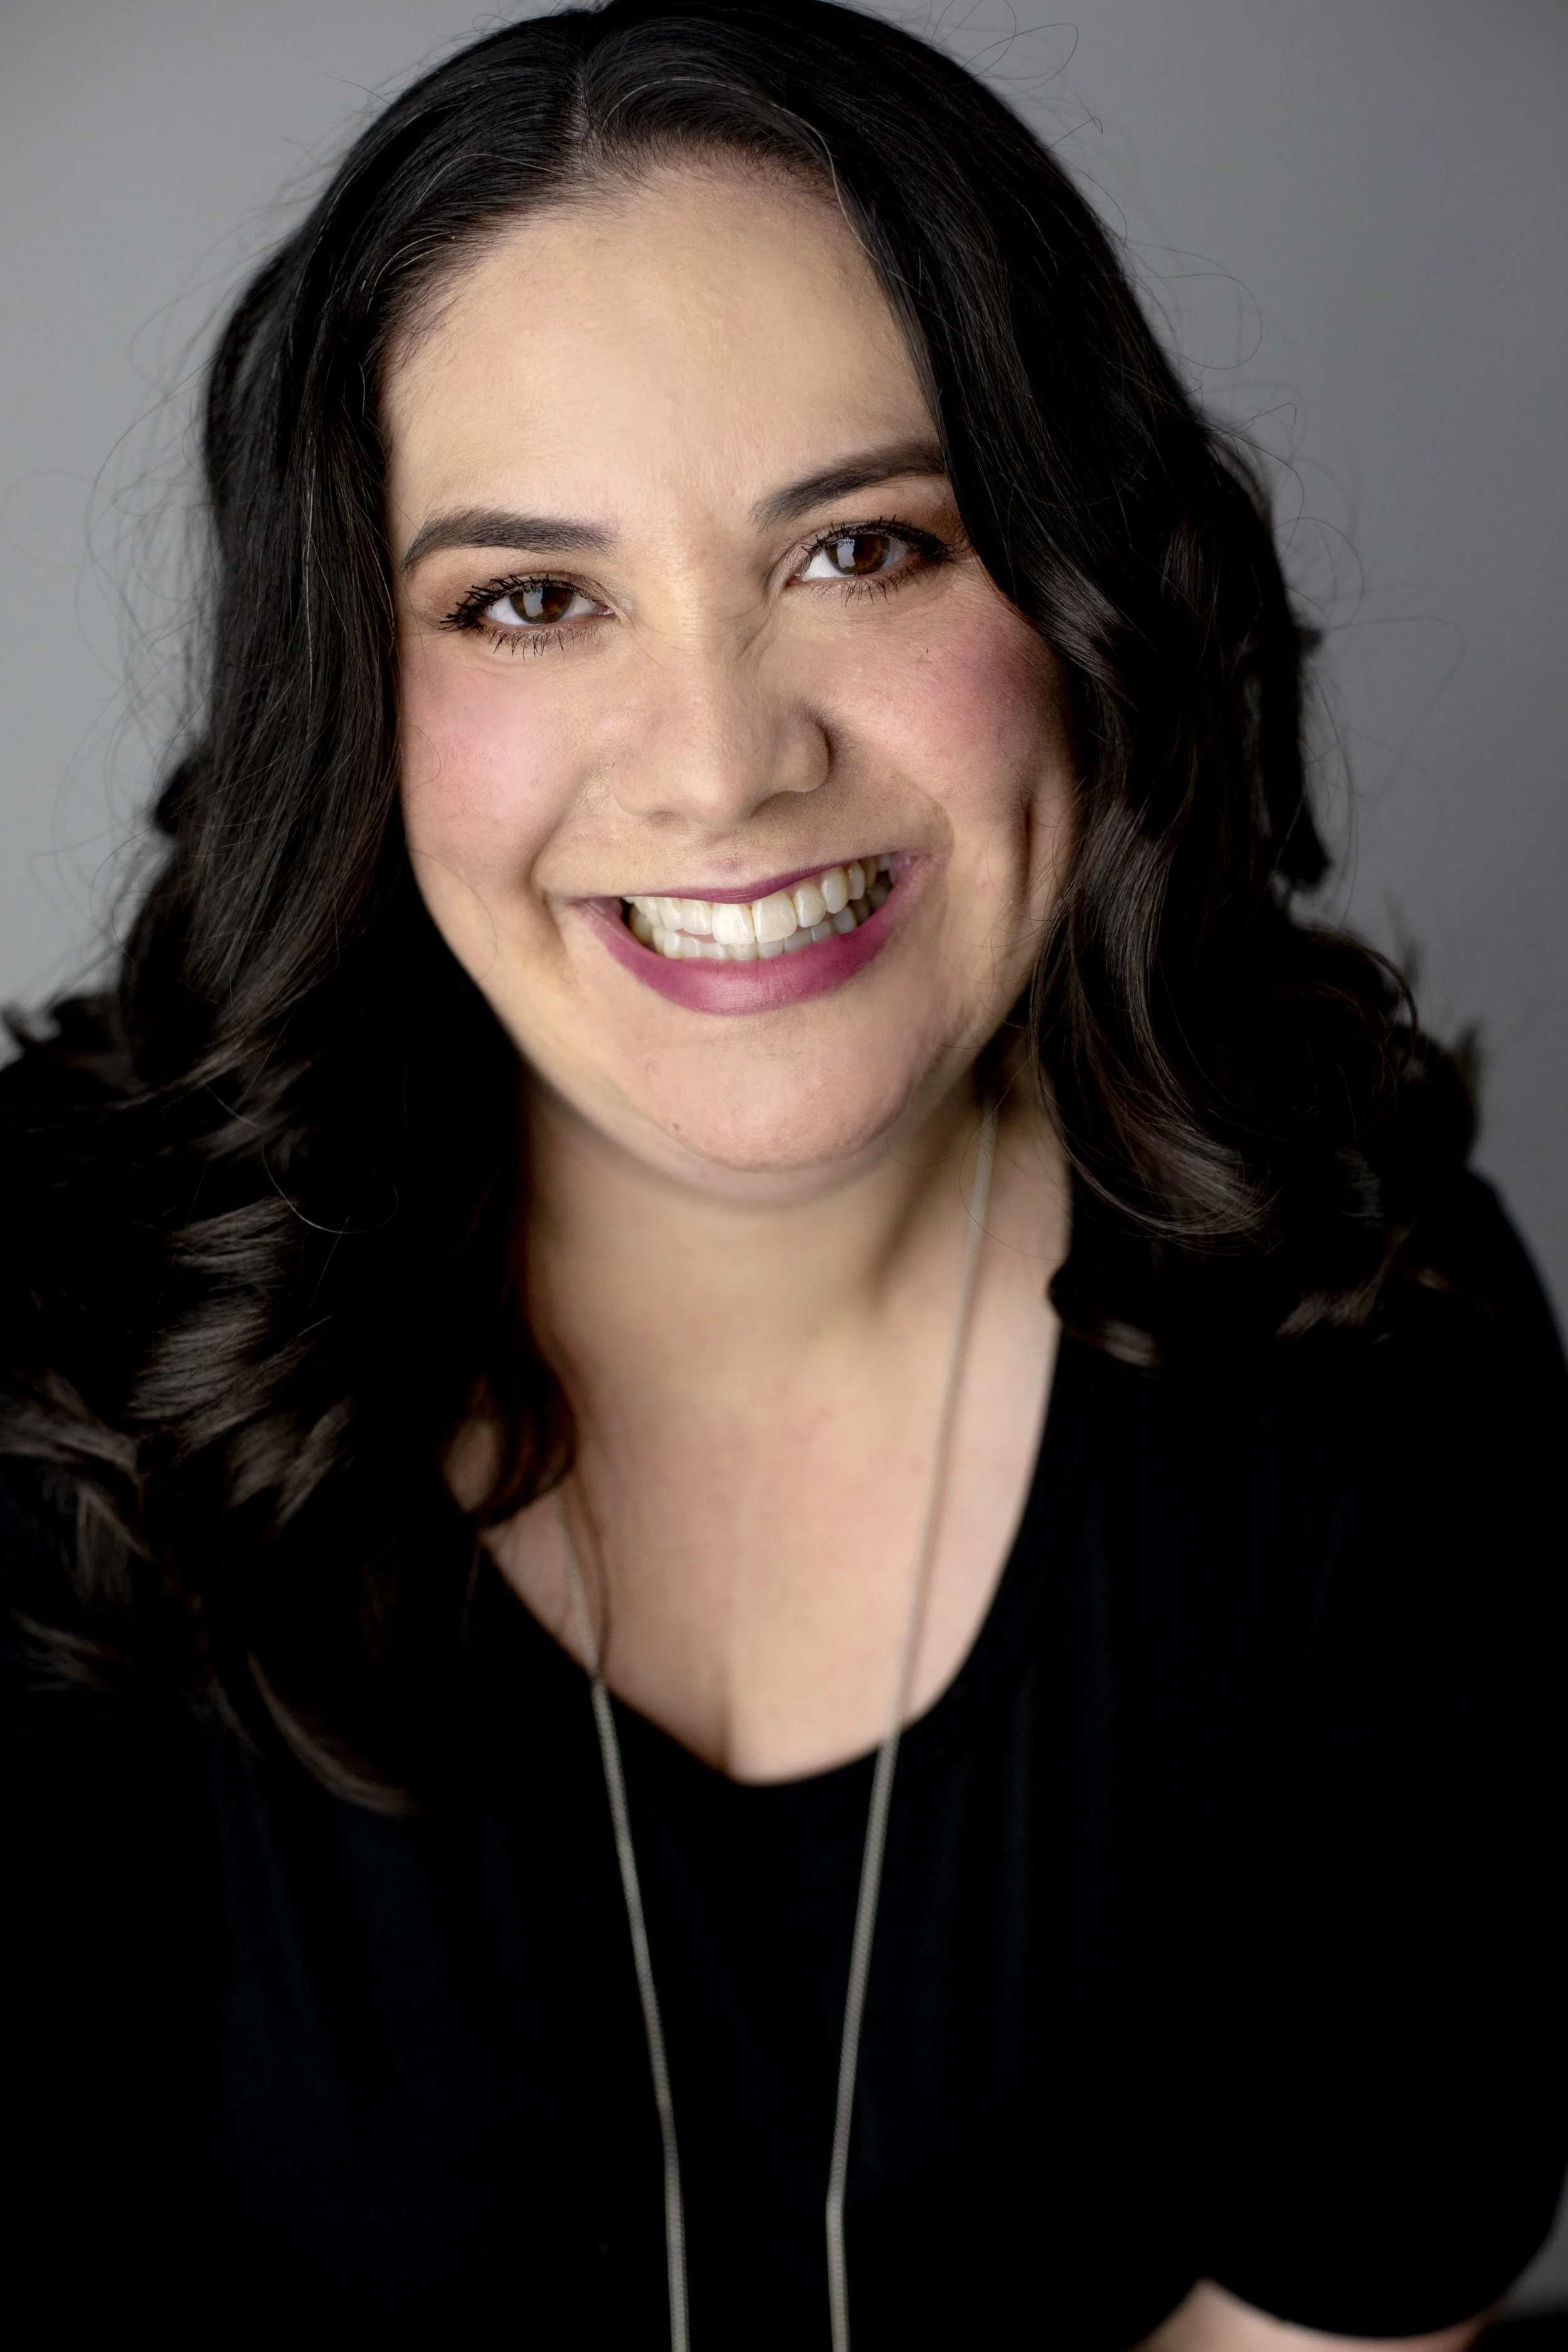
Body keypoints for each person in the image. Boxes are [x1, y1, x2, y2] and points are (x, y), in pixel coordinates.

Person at [2, 3, 1563, 2344]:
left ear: (1080, 590)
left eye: (863, 545)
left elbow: (1334, 2304)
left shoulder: (1363, 1323)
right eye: (532, 595)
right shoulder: (47, 1341)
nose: (724, 764)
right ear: (354, 685)